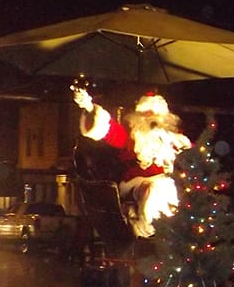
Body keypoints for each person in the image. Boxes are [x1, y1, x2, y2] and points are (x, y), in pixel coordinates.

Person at [71, 83, 191, 237]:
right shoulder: (131, 139)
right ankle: (150, 233)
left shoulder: (174, 141)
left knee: (168, 189)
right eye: (146, 115)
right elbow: (109, 130)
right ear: (138, 118)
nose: (152, 121)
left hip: (168, 184)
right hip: (136, 183)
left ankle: (169, 232)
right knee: (154, 191)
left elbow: (195, 156)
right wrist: (89, 107)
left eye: (155, 116)